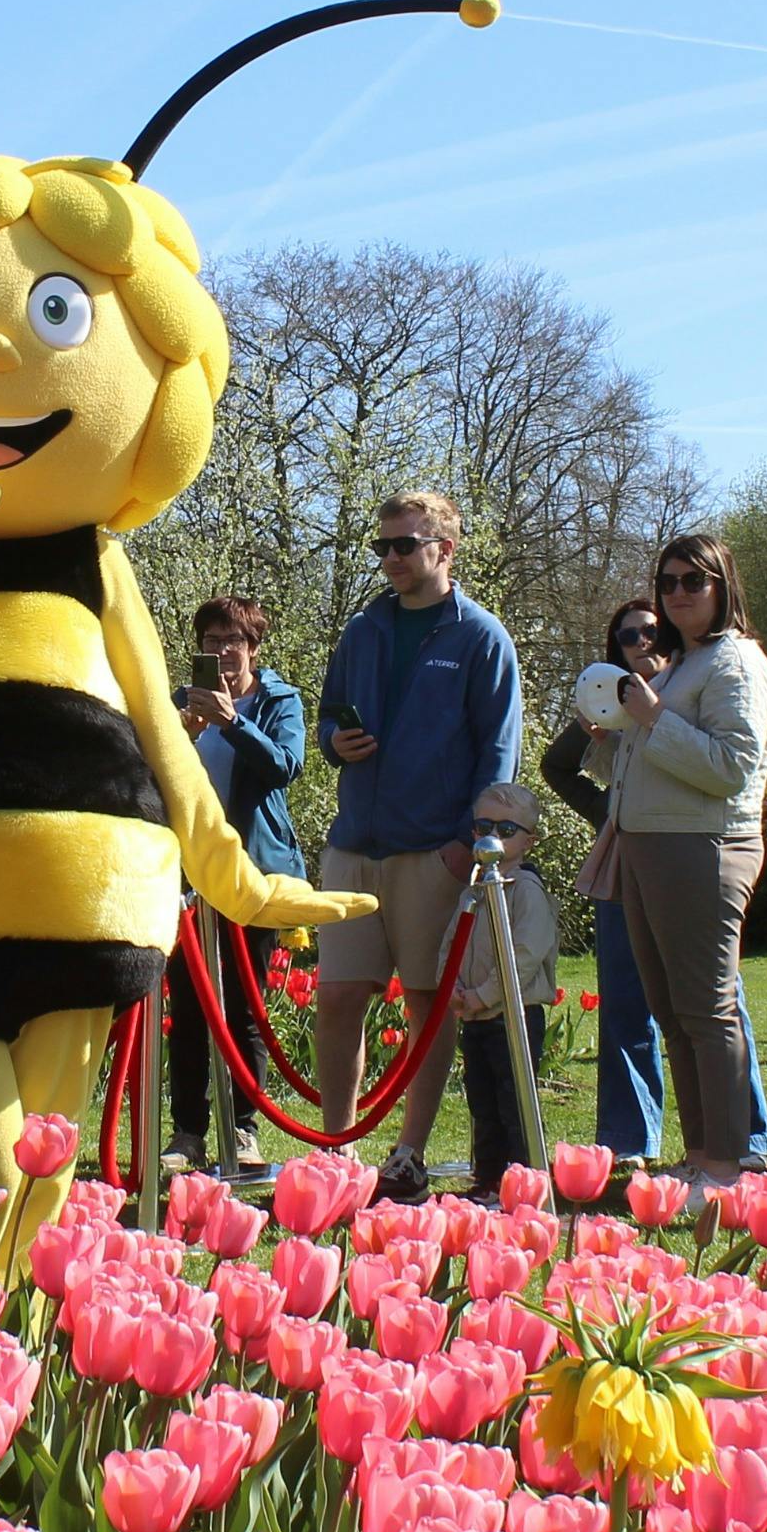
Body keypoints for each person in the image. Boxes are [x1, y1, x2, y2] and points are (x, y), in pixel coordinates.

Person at [310, 491, 522, 1202]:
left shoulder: (481, 637)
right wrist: (334, 744)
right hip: (353, 846)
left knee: (426, 1005)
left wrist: (469, 845)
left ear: (444, 548)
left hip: (433, 851)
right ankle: (339, 1147)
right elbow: (327, 721)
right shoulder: (363, 629)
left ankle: (407, 1154)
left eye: (406, 544)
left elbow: (499, 751)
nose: (392, 558)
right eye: (383, 547)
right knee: (338, 996)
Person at [611, 532, 767, 1188]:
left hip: (704, 849)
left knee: (708, 1014)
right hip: (651, 848)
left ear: (723, 586)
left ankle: (728, 1165)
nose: (678, 593)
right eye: (669, 581)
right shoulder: (684, 663)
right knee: (673, 1016)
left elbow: (732, 770)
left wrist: (654, 718)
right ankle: (700, 1153)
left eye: (694, 581)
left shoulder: (735, 664)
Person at [166, 594, 304, 1163]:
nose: (222, 652)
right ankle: (188, 1133)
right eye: (212, 641)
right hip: (189, 872)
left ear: (254, 647)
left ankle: (242, 1128)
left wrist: (233, 722)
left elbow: (284, 767)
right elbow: (152, 770)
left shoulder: (278, 699)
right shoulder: (179, 702)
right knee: (191, 1004)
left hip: (253, 868)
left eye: (234, 642)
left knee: (247, 1006)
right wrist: (185, 731)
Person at [544, 598, 673, 1157]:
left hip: (685, 856)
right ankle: (628, 1139)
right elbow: (556, 767)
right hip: (622, 858)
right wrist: (605, 813)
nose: (640, 642)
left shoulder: (691, 693)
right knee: (624, 1002)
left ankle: (743, 1137)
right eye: (627, 636)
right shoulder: (607, 710)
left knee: (713, 1002)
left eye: (650, 632)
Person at [445, 780, 561, 1202]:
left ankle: (522, 1180)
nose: (492, 836)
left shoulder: (526, 888)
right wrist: (453, 984)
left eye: (506, 829)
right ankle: (489, 1178)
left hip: (514, 1011)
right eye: (483, 826)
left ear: (528, 840)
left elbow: (525, 952)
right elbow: (453, 941)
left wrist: (486, 993)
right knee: (483, 1100)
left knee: (515, 1101)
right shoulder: (475, 886)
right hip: (476, 1012)